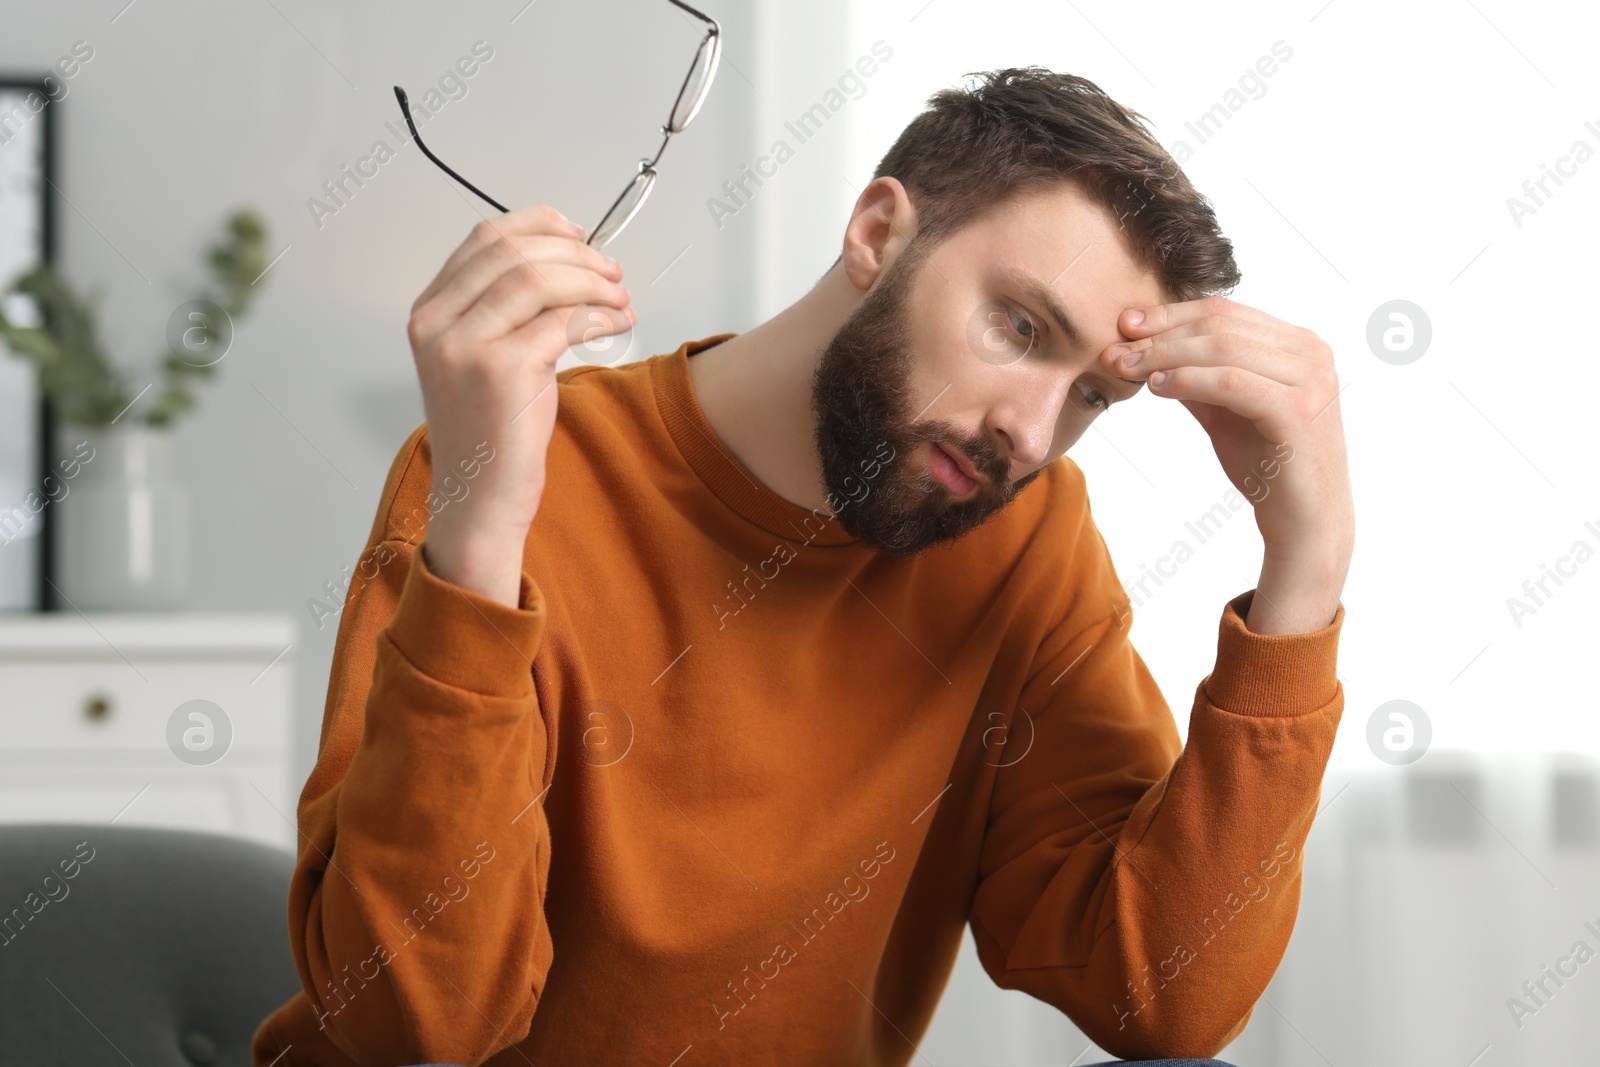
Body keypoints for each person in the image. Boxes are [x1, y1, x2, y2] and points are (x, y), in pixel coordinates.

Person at [252, 66, 1353, 1067]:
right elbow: (419, 1025)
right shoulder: (514, 471)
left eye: (1089, 395)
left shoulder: (1025, 540)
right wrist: (483, 540)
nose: (1028, 428)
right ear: (878, 230)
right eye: (1017, 326)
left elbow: (1159, 994)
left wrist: (1305, 568)